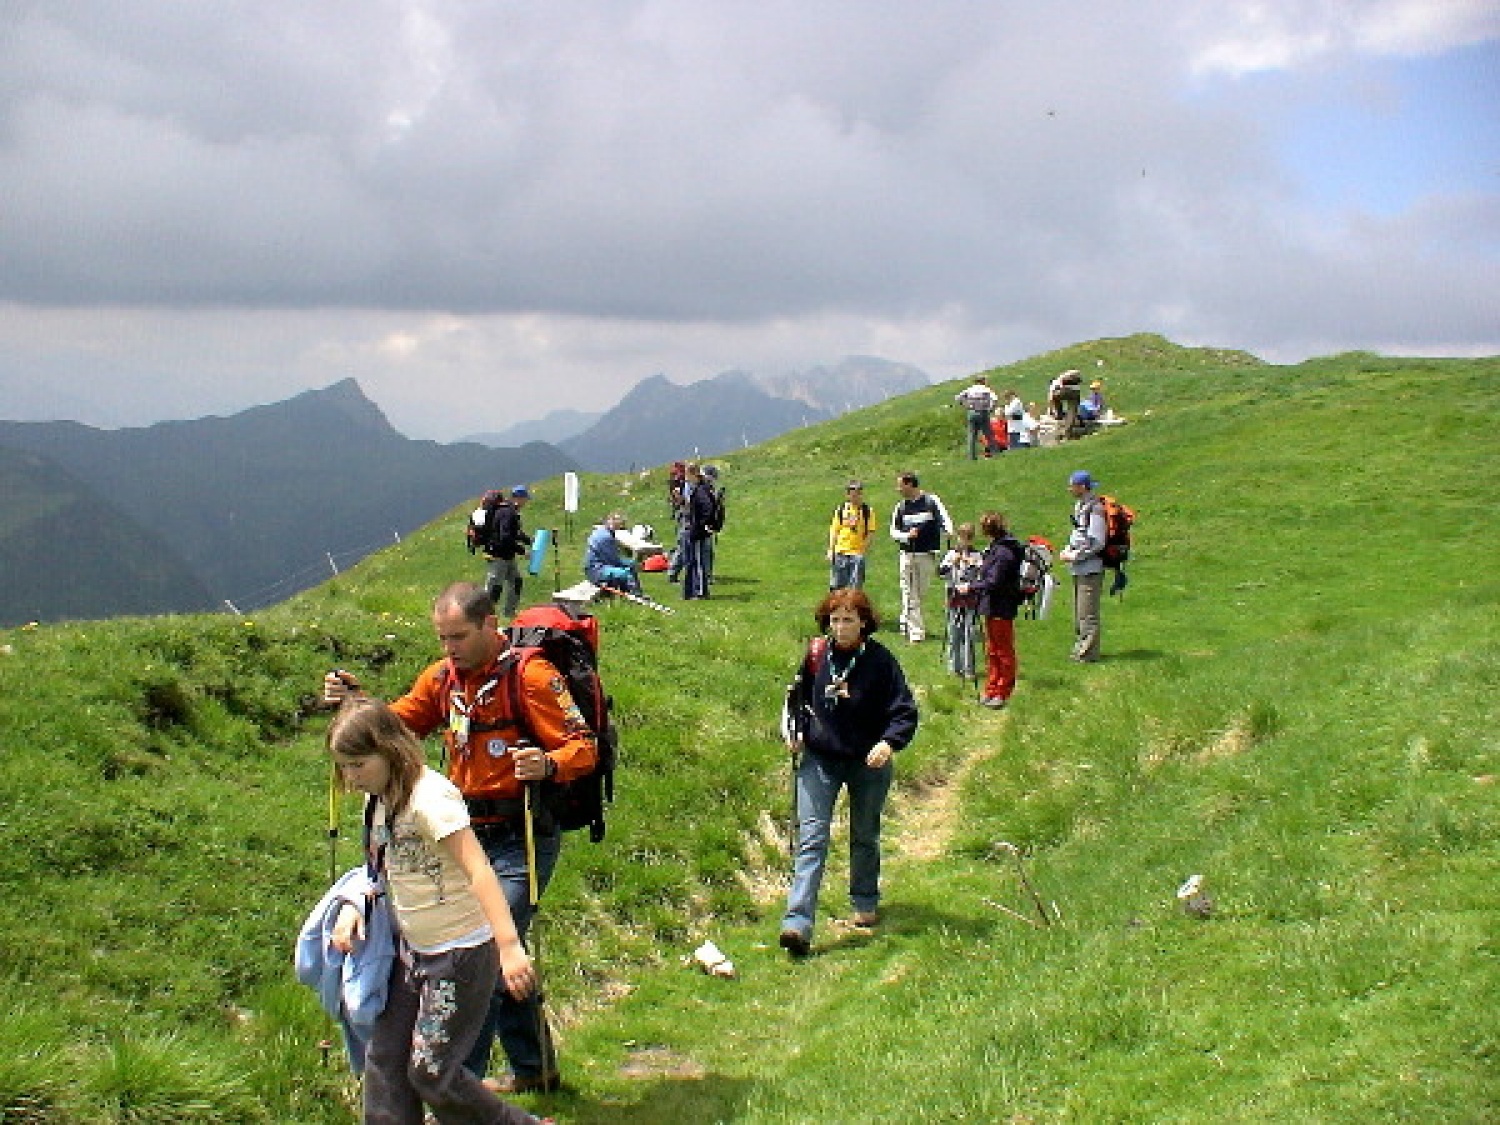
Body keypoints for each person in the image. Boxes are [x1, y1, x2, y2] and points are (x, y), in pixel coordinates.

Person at [322, 583, 598, 1093]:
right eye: (443, 638)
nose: (450, 648)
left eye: (459, 637)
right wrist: (356, 704)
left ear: (490, 625)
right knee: (497, 953)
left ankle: (456, 1088)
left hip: (520, 836)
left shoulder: (533, 676)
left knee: (487, 950)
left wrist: (547, 763)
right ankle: (534, 1068)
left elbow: (584, 746)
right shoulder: (442, 680)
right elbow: (394, 728)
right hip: (461, 833)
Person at [325, 696, 547, 1124]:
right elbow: (380, 868)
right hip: (413, 953)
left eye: (358, 765)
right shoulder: (380, 799)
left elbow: (479, 870)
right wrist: (356, 906)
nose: (351, 778)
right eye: (344, 768)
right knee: (385, 1061)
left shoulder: (429, 799)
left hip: (459, 955)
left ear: (389, 749)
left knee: (432, 1074)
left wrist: (508, 946)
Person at [778, 589, 918, 956]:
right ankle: (797, 924)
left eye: (848, 620)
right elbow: (796, 702)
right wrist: (795, 733)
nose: (840, 627)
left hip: (867, 762)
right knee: (812, 838)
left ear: (864, 623)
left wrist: (888, 743)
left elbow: (904, 710)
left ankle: (864, 900)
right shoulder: (815, 655)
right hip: (820, 759)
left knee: (865, 834)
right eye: (835, 620)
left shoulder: (880, 661)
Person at [888, 471, 953, 644]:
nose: (898, 489)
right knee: (910, 592)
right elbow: (893, 531)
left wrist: (948, 531)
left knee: (920, 592)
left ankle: (905, 622)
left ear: (910, 484)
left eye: (900, 485)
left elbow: (944, 518)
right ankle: (916, 633)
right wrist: (906, 536)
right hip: (908, 554)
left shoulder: (931, 501)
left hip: (927, 554)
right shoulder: (901, 507)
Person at [975, 512, 1024, 708]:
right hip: (992, 605)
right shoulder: (998, 547)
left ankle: (1003, 692)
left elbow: (994, 581)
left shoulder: (1004, 552)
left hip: (1002, 606)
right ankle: (991, 688)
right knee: (992, 650)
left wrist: (971, 587)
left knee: (1003, 650)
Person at [1059, 470, 1107, 663]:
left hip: (1090, 568)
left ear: (1082, 487)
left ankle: (1088, 654)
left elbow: (1098, 542)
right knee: (1080, 613)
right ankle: (1080, 649)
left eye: (1072, 486)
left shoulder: (1095, 509)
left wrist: (1074, 556)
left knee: (1088, 614)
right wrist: (1068, 549)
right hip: (1079, 567)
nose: (1069, 489)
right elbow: (1079, 535)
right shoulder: (1081, 506)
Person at [937, 523, 983, 680]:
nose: (964, 541)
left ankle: (968, 668)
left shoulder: (977, 555)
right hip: (954, 597)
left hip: (970, 599)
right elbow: (940, 572)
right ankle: (954, 667)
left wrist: (971, 566)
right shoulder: (951, 554)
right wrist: (952, 564)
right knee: (953, 632)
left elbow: (980, 576)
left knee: (969, 633)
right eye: (961, 538)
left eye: (967, 538)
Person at [483, 486, 534, 619]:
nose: (526, 502)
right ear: (518, 498)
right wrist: (522, 551)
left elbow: (515, 533)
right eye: (525, 499)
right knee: (494, 588)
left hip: (508, 556)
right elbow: (505, 537)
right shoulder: (507, 512)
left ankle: (509, 613)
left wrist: (529, 541)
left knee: (516, 581)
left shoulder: (512, 511)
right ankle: (484, 617)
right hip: (498, 556)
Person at [827, 480, 875, 590]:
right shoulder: (841, 510)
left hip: (857, 555)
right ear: (848, 495)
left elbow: (870, 532)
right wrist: (831, 549)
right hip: (840, 553)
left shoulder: (867, 511)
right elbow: (834, 530)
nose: (856, 498)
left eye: (859, 494)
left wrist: (863, 550)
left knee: (855, 587)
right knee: (837, 587)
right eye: (853, 495)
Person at [681, 462, 716, 600]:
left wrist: (700, 524)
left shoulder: (700, 489)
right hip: (698, 530)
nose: (686, 478)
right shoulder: (702, 487)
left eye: (687, 475)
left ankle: (702, 592)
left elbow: (708, 508)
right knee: (695, 560)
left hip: (699, 532)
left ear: (693, 474)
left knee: (699, 561)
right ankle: (694, 590)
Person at [584, 512, 641, 594]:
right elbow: (613, 561)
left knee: (630, 568)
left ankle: (630, 593)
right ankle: (636, 596)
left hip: (596, 568)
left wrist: (630, 564)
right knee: (626, 574)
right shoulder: (606, 537)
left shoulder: (603, 531)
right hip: (596, 571)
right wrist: (631, 563)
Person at [954, 374, 1000, 459]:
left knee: (971, 435)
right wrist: (991, 408)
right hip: (983, 412)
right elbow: (995, 399)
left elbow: (957, 398)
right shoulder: (986, 389)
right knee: (988, 434)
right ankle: (995, 453)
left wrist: (965, 405)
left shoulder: (969, 389)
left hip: (971, 412)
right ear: (982, 381)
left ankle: (971, 457)